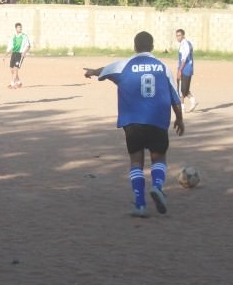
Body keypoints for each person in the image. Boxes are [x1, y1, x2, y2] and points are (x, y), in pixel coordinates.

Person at [83, 31, 184, 217]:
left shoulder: (124, 65)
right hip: (157, 120)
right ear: (152, 47)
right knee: (159, 158)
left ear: (135, 47)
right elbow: (175, 98)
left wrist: (92, 72)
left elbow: (105, 70)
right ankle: (157, 186)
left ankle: (140, 205)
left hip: (132, 122)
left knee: (136, 162)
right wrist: (179, 118)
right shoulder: (163, 67)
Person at [175, 28, 197, 112]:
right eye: (176, 36)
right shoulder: (188, 43)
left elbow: (184, 58)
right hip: (189, 69)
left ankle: (182, 107)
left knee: (180, 88)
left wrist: (180, 70)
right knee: (185, 88)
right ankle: (193, 101)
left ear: (183, 35)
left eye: (179, 35)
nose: (178, 37)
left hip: (185, 68)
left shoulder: (184, 44)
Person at [7, 22, 31, 89]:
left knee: (16, 69)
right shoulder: (14, 36)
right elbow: (11, 46)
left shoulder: (24, 36)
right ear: (16, 28)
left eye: (20, 27)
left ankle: (12, 84)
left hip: (20, 54)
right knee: (12, 69)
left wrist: (24, 52)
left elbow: (28, 46)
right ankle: (19, 82)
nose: (20, 28)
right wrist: (7, 54)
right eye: (18, 27)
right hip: (14, 53)